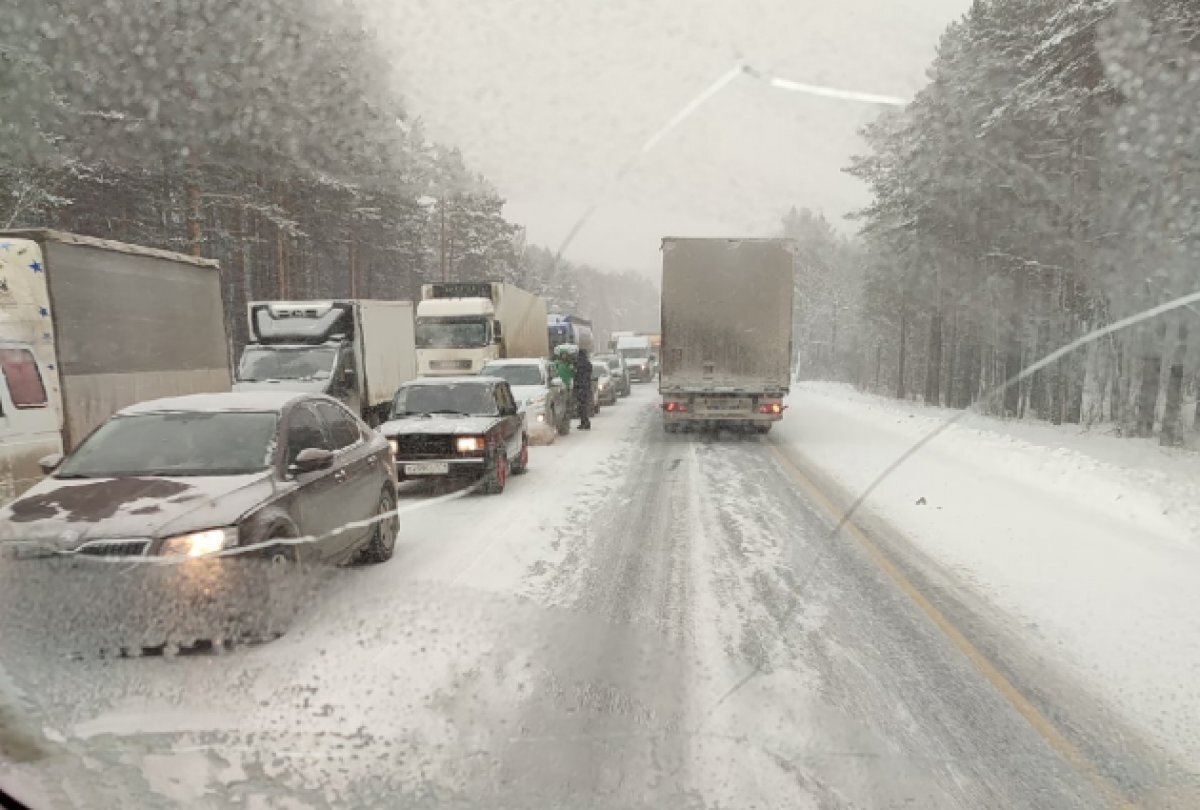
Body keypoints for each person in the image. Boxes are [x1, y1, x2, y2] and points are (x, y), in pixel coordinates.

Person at [574, 347, 593, 430]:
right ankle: (585, 422)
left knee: (581, 407)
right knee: (584, 406)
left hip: (580, 387)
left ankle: (584, 423)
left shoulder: (578, 364)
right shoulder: (588, 364)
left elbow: (576, 375)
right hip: (586, 387)